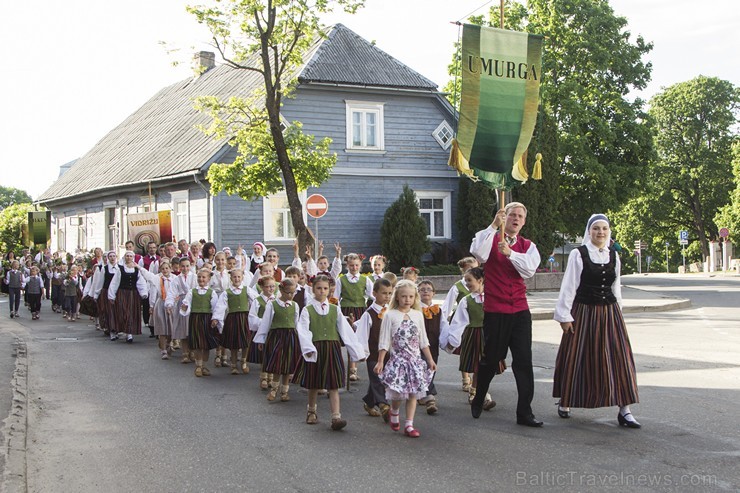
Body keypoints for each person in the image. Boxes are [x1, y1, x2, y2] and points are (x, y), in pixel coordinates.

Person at [553, 214, 641, 428]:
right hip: (584, 311)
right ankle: (566, 401)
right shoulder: (578, 254)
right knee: (578, 356)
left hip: (609, 313)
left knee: (619, 360)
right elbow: (569, 286)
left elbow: (616, 286)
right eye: (596, 229)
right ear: (589, 231)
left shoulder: (613, 255)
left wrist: (618, 314)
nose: (600, 232)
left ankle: (625, 410)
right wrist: (564, 316)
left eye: (604, 228)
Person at [469, 202, 542, 427]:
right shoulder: (489, 237)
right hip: (496, 310)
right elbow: (478, 254)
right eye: (512, 215)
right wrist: (493, 226)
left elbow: (529, 270)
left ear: (524, 221)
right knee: (491, 359)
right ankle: (479, 396)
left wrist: (510, 254)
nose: (516, 219)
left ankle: (525, 412)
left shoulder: (527, 245)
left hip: (520, 310)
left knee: (523, 361)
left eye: (520, 216)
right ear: (504, 216)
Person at [293, 275, 365, 430]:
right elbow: (303, 330)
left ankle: (336, 417)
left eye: (325, 288)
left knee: (333, 384)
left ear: (330, 290)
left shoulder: (335, 309)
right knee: (314, 383)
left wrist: (357, 351)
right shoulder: (307, 310)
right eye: (319, 288)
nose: (322, 291)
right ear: (313, 289)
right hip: (316, 349)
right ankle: (311, 411)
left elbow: (345, 331)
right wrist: (308, 349)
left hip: (332, 349)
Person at [374, 280, 436, 438]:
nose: (407, 299)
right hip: (398, 362)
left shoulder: (417, 315)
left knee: (413, 393)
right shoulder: (390, 315)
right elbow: (384, 340)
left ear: (415, 297)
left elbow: (423, 340)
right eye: (403, 296)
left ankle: (409, 424)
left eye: (410, 296)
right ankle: (394, 412)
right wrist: (381, 361)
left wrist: (429, 360)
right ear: (397, 297)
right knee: (398, 394)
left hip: (415, 361)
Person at [445, 267, 497, 411]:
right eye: (465, 280)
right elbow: (458, 322)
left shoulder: (492, 297)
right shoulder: (466, 301)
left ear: (480, 280)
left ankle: (475, 392)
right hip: (474, 336)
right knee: (478, 366)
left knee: (488, 367)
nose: (466, 284)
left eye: (469, 280)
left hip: (489, 335)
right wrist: (452, 340)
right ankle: (481, 395)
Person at [254, 278, 301, 402]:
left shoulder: (295, 306)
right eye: (288, 292)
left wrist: (301, 340)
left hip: (290, 336)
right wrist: (261, 339)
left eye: (293, 293)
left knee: (287, 365)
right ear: (280, 290)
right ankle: (274, 389)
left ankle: (284, 391)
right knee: (278, 364)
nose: (290, 295)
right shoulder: (272, 304)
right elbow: (266, 322)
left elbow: (297, 324)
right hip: (277, 336)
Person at [354, 278, 393, 420]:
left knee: (385, 379)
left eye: (389, 293)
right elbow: (362, 334)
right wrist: (362, 352)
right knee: (377, 379)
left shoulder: (391, 311)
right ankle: (384, 405)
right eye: (384, 293)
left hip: (389, 353)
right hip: (373, 354)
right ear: (374, 293)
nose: (387, 296)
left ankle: (369, 402)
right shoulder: (369, 314)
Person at [441, 256, 480, 393]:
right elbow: (447, 305)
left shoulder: (483, 286)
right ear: (463, 271)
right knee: (465, 351)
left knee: (478, 353)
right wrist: (443, 322)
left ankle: (476, 381)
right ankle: (465, 379)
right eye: (468, 270)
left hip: (477, 323)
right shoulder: (458, 286)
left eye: (475, 269)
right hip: (462, 321)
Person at [335, 252, 374, 382]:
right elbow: (336, 297)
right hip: (346, 310)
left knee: (357, 338)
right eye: (351, 265)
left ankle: (353, 369)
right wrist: (338, 311)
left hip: (360, 311)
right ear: (347, 266)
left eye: (356, 265)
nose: (354, 268)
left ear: (360, 265)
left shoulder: (365, 279)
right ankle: (344, 368)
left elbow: (372, 295)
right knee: (346, 337)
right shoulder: (341, 279)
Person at [179, 268, 220, 377]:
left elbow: (216, 307)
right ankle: (198, 365)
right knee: (198, 344)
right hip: (195, 318)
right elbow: (186, 302)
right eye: (199, 277)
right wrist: (184, 307)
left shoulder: (212, 292)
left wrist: (215, 318)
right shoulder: (192, 291)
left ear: (209, 279)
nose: (201, 279)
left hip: (207, 319)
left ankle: (204, 366)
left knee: (205, 344)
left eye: (204, 277)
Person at [214, 269, 252, 375]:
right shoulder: (227, 292)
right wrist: (216, 317)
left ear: (242, 278)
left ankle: (244, 361)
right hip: (233, 319)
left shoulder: (247, 289)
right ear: (231, 279)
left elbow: (256, 300)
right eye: (234, 277)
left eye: (239, 277)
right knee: (234, 343)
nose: (237, 279)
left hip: (244, 318)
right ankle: (234, 364)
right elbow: (221, 306)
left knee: (246, 341)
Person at [418, 280, 446, 415]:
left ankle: (423, 393)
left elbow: (443, 326)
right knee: (422, 368)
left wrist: (447, 341)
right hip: (417, 345)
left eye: (428, 289)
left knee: (431, 368)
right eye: (422, 289)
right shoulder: (414, 310)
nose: (425, 291)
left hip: (433, 344)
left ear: (434, 293)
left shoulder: (438, 310)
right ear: (417, 293)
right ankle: (428, 396)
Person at [108, 251, 149, 343]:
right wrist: (111, 295)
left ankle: (129, 333)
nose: (129, 258)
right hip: (122, 293)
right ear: (124, 257)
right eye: (127, 256)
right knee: (123, 312)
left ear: (133, 258)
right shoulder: (120, 269)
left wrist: (143, 293)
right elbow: (115, 283)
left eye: (130, 256)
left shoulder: (137, 270)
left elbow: (141, 282)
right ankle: (121, 330)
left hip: (133, 294)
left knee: (131, 313)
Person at [166, 256, 197, 364]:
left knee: (192, 330)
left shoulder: (195, 277)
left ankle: (192, 352)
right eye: (183, 266)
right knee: (183, 329)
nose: (185, 268)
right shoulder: (176, 279)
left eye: (187, 266)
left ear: (190, 266)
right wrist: (169, 304)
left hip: (193, 303)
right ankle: (185, 353)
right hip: (182, 304)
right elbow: (171, 292)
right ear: (179, 267)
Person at [248, 276, 277, 388]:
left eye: (273, 286)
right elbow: (252, 316)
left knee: (271, 354)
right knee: (264, 355)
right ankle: (263, 377)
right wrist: (263, 323)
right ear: (262, 287)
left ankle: (270, 377)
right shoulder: (258, 301)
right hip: (262, 330)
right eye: (268, 286)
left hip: (273, 331)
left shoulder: (276, 300)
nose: (271, 288)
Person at [149, 260, 176, 360]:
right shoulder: (158, 279)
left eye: (167, 268)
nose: (165, 270)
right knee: (162, 328)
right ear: (160, 270)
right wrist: (151, 305)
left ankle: (168, 343)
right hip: (161, 304)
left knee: (171, 329)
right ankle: (163, 350)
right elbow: (153, 292)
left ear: (170, 269)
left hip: (172, 304)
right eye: (163, 268)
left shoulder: (175, 279)